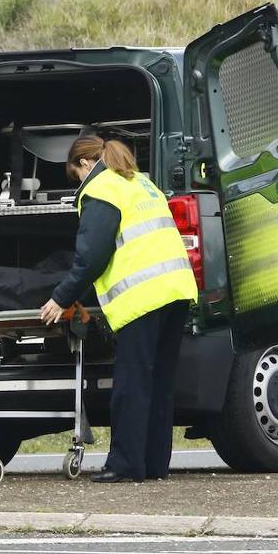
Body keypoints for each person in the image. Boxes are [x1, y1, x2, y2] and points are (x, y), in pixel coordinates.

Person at [40, 137, 198, 483]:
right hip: (177, 289)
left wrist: (61, 297)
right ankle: (154, 465)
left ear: (85, 165)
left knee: (132, 383)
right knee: (159, 382)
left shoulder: (101, 189)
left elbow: (91, 256)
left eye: (76, 176)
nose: (79, 183)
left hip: (143, 296)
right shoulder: (141, 182)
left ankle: (126, 465)